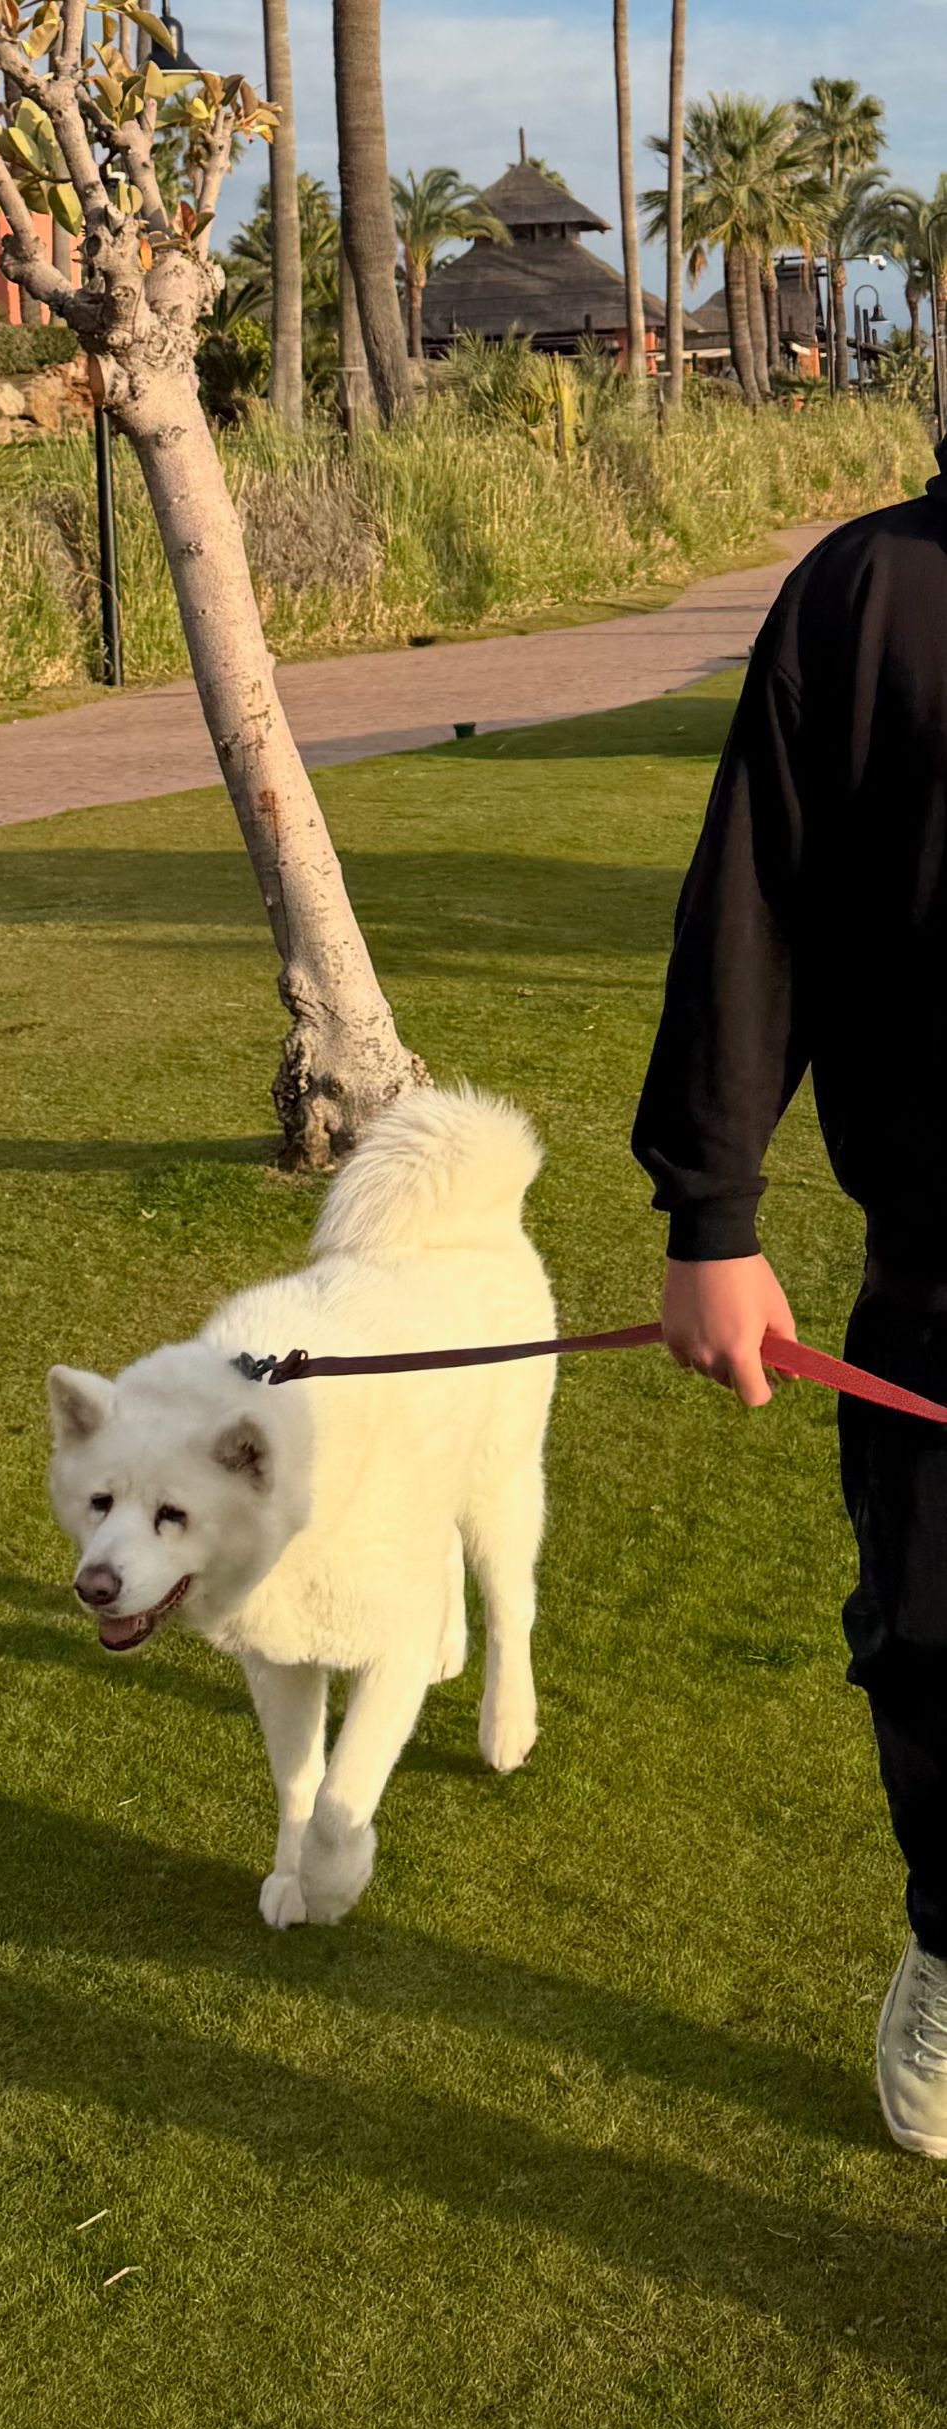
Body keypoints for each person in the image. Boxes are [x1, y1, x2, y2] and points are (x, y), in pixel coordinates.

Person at [631, 461, 947, 2158]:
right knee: (931, 1640)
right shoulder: (865, 590)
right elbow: (750, 906)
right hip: (937, 1272)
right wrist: (711, 1214)